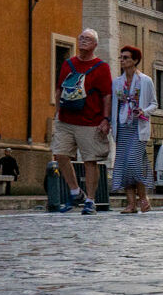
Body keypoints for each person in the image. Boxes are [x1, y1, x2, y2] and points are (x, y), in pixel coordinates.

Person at [51, 28, 113, 214]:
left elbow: (107, 96)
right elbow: (59, 90)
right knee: (60, 154)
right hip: (66, 119)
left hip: (90, 121)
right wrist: (57, 113)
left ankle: (91, 201)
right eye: (81, 38)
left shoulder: (102, 67)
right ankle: (75, 191)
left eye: (88, 39)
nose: (84, 41)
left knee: (90, 160)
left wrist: (106, 119)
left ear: (95, 45)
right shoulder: (68, 64)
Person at [109, 46, 156, 213]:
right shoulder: (117, 82)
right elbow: (114, 104)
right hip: (122, 127)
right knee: (123, 165)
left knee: (133, 163)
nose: (122, 60)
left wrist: (144, 111)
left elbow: (154, 104)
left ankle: (143, 198)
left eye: (126, 57)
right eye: (121, 57)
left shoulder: (145, 81)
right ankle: (131, 203)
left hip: (138, 127)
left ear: (135, 60)